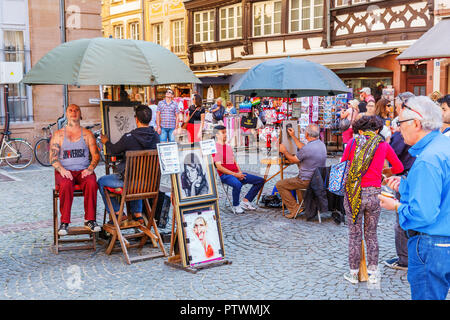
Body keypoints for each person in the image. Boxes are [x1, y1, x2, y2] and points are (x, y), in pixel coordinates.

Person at [379, 96, 450, 300]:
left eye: (400, 123)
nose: (397, 129)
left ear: (416, 123)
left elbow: (423, 214)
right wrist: (407, 185)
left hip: (432, 244)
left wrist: (395, 206)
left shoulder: (428, 158)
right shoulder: (443, 147)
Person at [342, 115, 403, 285]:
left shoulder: (353, 143)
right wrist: (383, 175)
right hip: (374, 193)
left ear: (360, 131)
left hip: (353, 193)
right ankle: (373, 273)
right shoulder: (383, 145)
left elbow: (343, 164)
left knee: (354, 235)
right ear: (377, 130)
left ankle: (354, 274)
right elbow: (399, 167)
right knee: (371, 234)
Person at [98, 105, 160, 224]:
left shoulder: (129, 138)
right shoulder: (156, 137)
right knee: (138, 177)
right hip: (149, 184)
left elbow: (114, 150)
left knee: (101, 181)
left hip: (131, 184)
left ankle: (117, 213)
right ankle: (137, 214)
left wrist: (106, 141)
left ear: (136, 119)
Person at [49, 104, 101, 235]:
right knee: (66, 184)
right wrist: (61, 170)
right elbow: (52, 158)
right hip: (65, 171)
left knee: (91, 182)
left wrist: (90, 169)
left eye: (76, 110)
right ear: (66, 114)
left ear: (80, 114)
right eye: (70, 110)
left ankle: (90, 220)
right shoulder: (59, 135)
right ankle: (64, 222)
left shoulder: (87, 134)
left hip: (83, 170)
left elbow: (95, 155)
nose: (73, 112)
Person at [383, 121, 416, 271]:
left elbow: (394, 156)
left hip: (406, 176)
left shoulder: (404, 136)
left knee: (402, 219)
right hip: (406, 176)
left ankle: (404, 259)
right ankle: (410, 256)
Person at [276, 124, 327, 219]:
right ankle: (303, 206)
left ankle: (295, 209)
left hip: (306, 181)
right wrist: (293, 136)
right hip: (318, 180)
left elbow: (293, 160)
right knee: (296, 181)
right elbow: (304, 148)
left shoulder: (308, 149)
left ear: (307, 134)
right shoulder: (321, 144)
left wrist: (284, 151)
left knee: (280, 184)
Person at [213, 125, 264, 214]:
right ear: (217, 135)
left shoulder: (228, 147)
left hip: (236, 173)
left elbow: (234, 161)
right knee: (237, 184)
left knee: (260, 180)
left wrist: (239, 172)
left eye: (225, 132)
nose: (225, 135)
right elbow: (219, 167)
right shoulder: (215, 148)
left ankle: (246, 201)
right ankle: (236, 205)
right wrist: (235, 174)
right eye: (223, 133)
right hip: (225, 175)